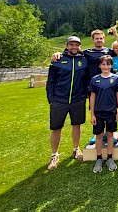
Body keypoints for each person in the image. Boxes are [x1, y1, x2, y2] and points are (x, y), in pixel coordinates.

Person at [46, 36, 89, 170]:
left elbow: (86, 79)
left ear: (80, 46)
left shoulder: (84, 60)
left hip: (77, 99)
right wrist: (51, 100)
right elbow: (50, 82)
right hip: (59, 100)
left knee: (77, 125)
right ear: (67, 46)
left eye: (77, 45)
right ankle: (54, 154)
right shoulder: (58, 60)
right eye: (72, 45)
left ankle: (76, 149)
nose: (74, 47)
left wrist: (84, 95)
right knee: (56, 127)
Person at [90, 55, 118, 173]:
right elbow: (92, 97)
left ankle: (109, 157)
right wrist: (92, 114)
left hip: (111, 112)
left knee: (109, 134)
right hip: (98, 112)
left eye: (108, 64)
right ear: (99, 66)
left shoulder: (116, 78)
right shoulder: (94, 79)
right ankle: (99, 158)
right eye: (103, 64)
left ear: (111, 66)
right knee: (98, 135)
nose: (105, 66)